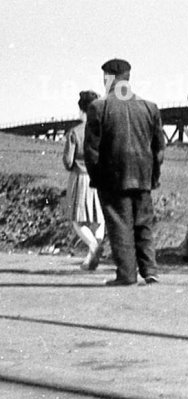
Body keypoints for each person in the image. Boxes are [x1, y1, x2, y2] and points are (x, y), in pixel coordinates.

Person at [84, 58, 166, 286]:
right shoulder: (149, 107)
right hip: (143, 177)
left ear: (108, 78)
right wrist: (153, 176)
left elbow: (91, 151)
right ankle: (150, 271)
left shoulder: (98, 107)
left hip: (113, 179)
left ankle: (127, 275)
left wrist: (97, 178)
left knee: (120, 226)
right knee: (143, 224)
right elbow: (159, 149)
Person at [61, 90, 106, 271]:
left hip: (80, 178)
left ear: (81, 109)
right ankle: (90, 259)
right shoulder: (104, 131)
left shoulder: (75, 132)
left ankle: (93, 246)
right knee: (99, 219)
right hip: (101, 178)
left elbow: (68, 161)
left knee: (77, 220)